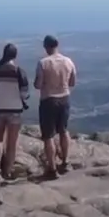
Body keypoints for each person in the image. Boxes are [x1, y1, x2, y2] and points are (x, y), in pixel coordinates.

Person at [33, 34, 77, 178]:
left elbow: (38, 85)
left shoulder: (43, 63)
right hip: (64, 98)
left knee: (48, 135)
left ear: (46, 47)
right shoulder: (68, 61)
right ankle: (66, 162)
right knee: (64, 130)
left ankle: (52, 169)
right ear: (57, 45)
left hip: (48, 100)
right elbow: (72, 83)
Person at [0, 42, 31, 178]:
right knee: (12, 142)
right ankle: (8, 171)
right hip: (14, 110)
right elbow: (24, 93)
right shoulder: (18, 71)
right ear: (15, 55)